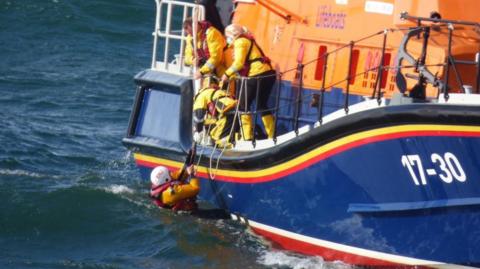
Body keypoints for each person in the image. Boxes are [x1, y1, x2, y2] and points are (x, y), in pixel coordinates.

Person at [221, 24, 276, 140]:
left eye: (227, 36)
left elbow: (239, 63)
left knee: (243, 106)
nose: (227, 39)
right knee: (262, 105)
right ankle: (272, 135)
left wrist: (226, 74)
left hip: (257, 75)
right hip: (268, 74)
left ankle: (247, 137)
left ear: (233, 34)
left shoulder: (240, 42)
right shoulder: (248, 40)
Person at [193, 77, 237, 146]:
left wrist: (198, 131)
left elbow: (199, 117)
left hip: (226, 114)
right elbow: (214, 119)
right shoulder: (220, 92)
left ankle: (221, 150)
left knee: (221, 141)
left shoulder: (201, 95)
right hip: (235, 111)